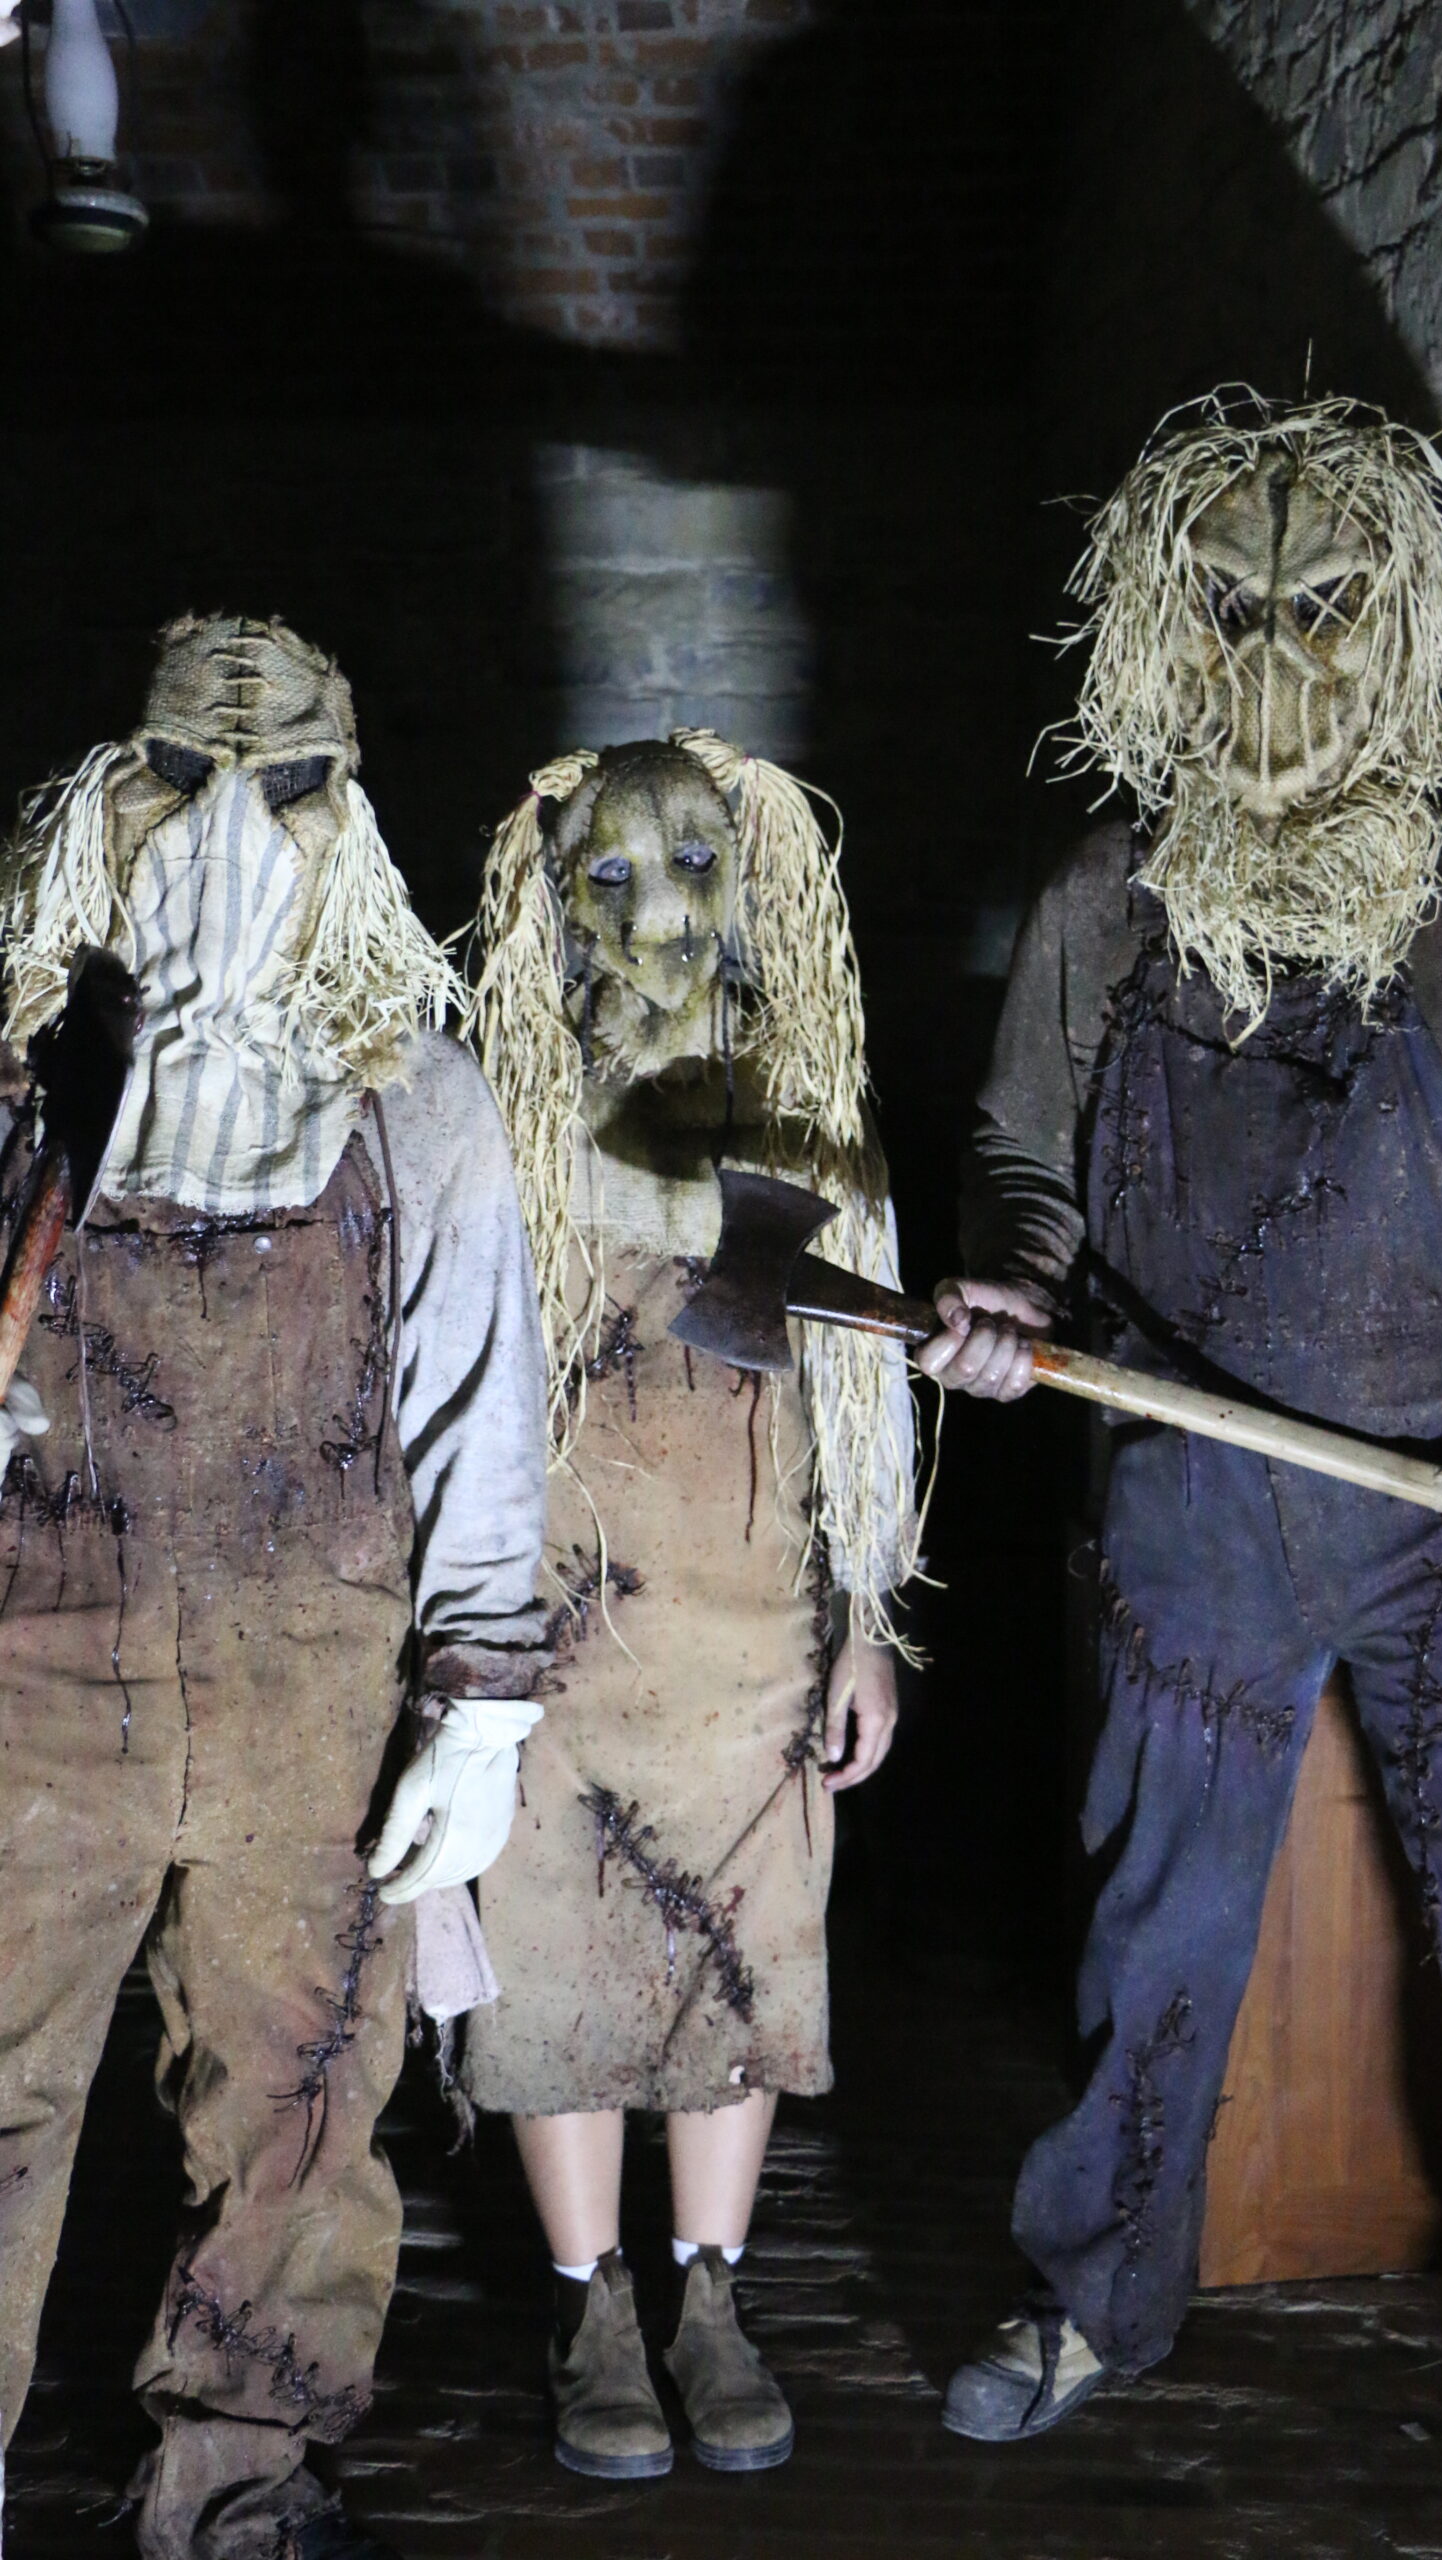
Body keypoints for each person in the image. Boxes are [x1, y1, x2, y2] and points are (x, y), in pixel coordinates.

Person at [918, 395, 1442, 2560]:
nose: (1275, 655)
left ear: (1411, 622)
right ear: (1165, 627)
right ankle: (1096, 2293)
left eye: (1324, 607)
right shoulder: (1110, 895)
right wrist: (1009, 1288)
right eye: (1230, 609)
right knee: (1156, 1916)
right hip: (1192, 1492)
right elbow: (1019, 1153)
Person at [0, 615, 553, 2560]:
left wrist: (479, 1693)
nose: (226, 831)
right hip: (35, 1668)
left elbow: (484, 1399)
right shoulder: (21, 1079)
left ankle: (242, 2479)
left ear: (354, 812)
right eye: (177, 778)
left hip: (313, 1671)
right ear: (105, 785)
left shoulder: (420, 1105)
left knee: (305, 2100)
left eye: (289, 788)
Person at [460, 730, 920, 2480]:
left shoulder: (809, 1101)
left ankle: (709, 2299)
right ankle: (590, 2308)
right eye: (612, 879)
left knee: (738, 1948)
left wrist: (865, 1614)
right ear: (560, 913)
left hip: (750, 1610)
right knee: (558, 1947)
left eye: (695, 867)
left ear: (753, 881)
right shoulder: (498, 1105)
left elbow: (866, 1394)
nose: (661, 916)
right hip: (557, 1616)